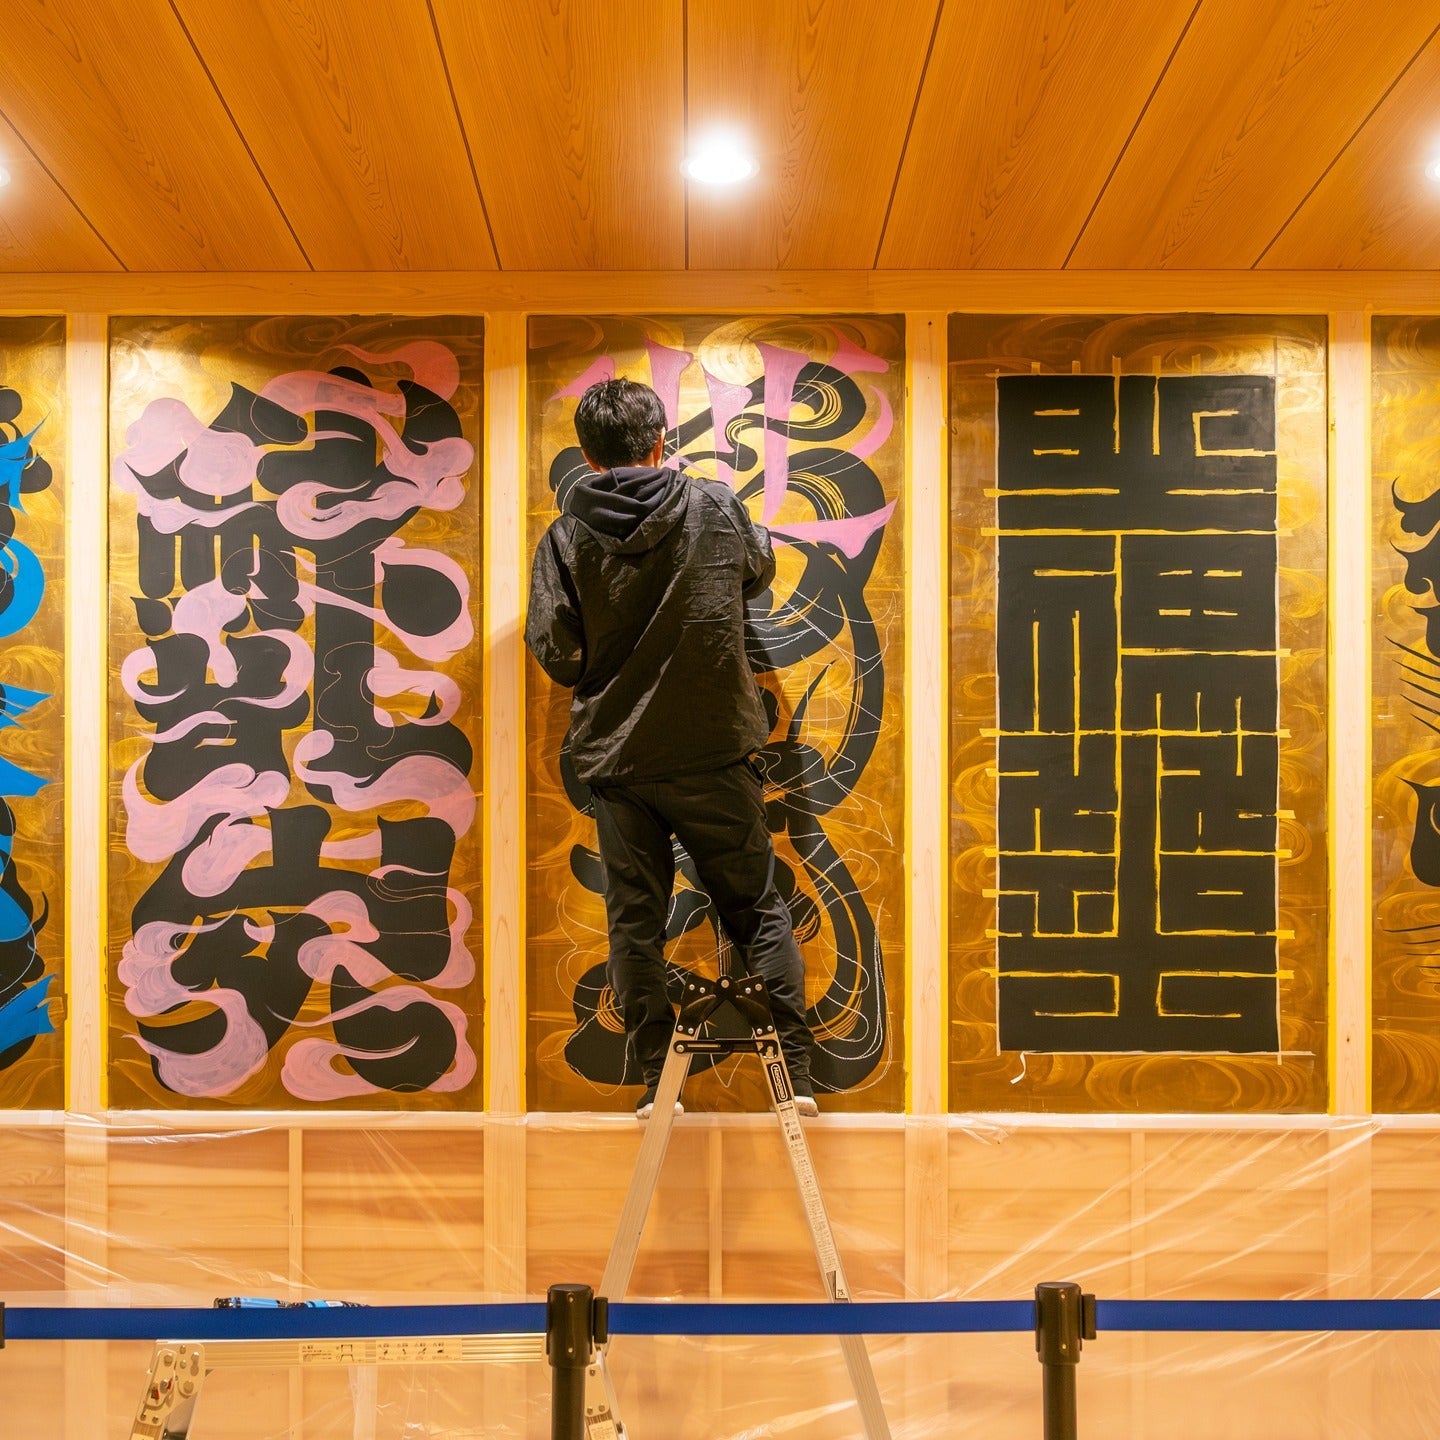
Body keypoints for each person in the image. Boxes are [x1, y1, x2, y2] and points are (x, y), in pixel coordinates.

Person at [526, 377, 816, 1119]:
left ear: (588, 456)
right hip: (715, 748)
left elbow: (556, 652)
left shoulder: (564, 537)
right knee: (755, 909)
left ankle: (659, 1086)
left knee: (636, 924)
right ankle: (796, 1078)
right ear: (660, 441)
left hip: (620, 760)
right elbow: (758, 572)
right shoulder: (713, 505)